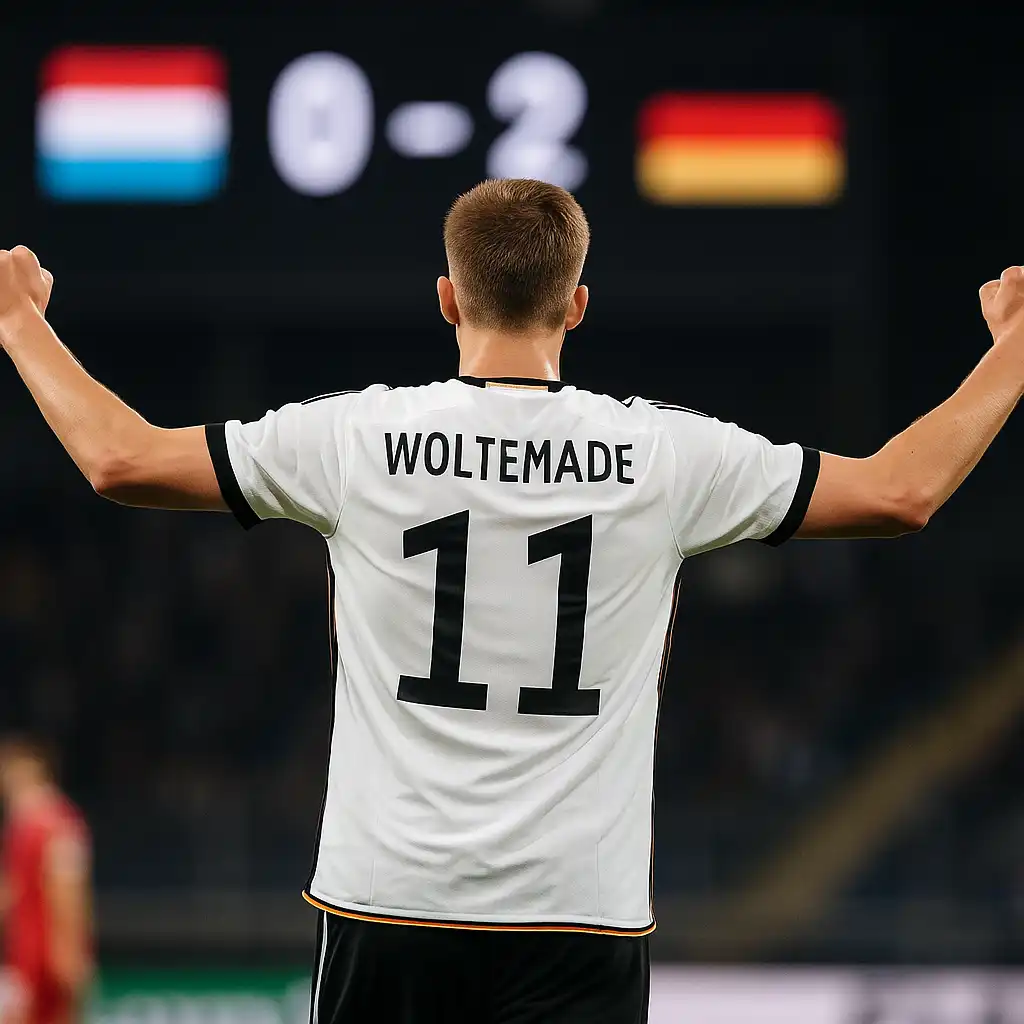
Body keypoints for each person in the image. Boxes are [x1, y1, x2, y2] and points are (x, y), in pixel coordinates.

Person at [0, 178, 1020, 1023]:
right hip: (578, 914)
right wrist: (1011, 352)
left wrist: (19, 324)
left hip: (386, 902)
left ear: (446, 297)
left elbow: (120, 458)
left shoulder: (356, 438)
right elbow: (899, 490)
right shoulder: (663, 453)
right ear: (577, 303)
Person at [0, 738, 92, 1024]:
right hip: (24, 957)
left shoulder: (59, 824)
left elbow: (67, 890)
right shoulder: (20, 826)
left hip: (44, 958)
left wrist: (68, 949)